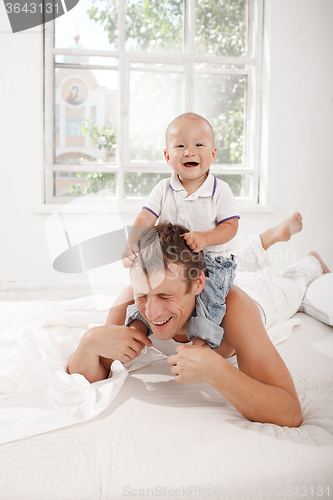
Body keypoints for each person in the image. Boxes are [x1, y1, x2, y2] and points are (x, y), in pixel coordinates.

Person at [68, 220, 329, 427]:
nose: (151, 311)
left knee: (291, 286)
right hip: (203, 274)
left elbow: (290, 412)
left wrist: (217, 372)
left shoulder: (236, 310)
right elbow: (93, 374)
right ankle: (264, 242)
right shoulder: (131, 302)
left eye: (166, 295)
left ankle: (311, 262)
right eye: (143, 295)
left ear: (198, 284)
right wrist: (88, 345)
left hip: (261, 296)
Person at [123, 112, 240, 349]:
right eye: (180, 146)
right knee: (147, 289)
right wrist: (131, 243)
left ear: (213, 153)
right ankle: (136, 328)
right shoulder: (163, 188)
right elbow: (146, 216)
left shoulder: (220, 190)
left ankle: (200, 344)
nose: (189, 151)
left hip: (212, 261)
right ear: (167, 156)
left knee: (209, 297)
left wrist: (205, 238)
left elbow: (231, 226)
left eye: (199, 144)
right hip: (169, 261)